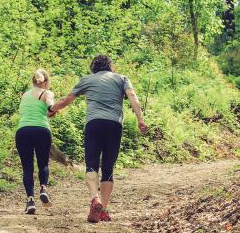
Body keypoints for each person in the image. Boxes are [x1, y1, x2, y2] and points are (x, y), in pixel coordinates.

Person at [48, 55, 148, 223]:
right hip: (114, 125)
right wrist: (140, 119)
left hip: (94, 124)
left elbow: (67, 100)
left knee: (91, 164)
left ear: (93, 68)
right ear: (110, 67)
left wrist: (52, 109)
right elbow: (132, 96)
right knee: (108, 168)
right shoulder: (122, 79)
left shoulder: (86, 80)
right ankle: (104, 210)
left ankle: (95, 198)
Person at [15, 69, 56, 214]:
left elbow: (24, 112)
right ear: (45, 82)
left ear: (33, 81)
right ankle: (44, 188)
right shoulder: (47, 93)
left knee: (27, 168)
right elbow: (50, 107)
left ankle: (30, 201)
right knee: (43, 163)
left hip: (23, 131)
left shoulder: (25, 95)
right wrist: (53, 108)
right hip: (41, 131)